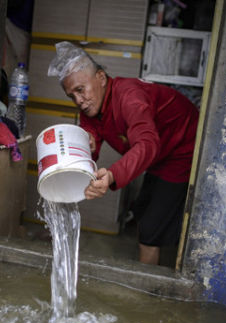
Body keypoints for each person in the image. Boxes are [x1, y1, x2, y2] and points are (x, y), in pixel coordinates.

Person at [47, 41, 199, 265]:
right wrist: (77, 162)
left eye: (81, 90)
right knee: (142, 211)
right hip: (160, 154)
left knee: (151, 228)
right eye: (72, 96)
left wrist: (112, 175)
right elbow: (90, 140)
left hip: (182, 149)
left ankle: (144, 293)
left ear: (100, 78)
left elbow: (148, 143)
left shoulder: (130, 97)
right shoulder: (91, 107)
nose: (78, 100)